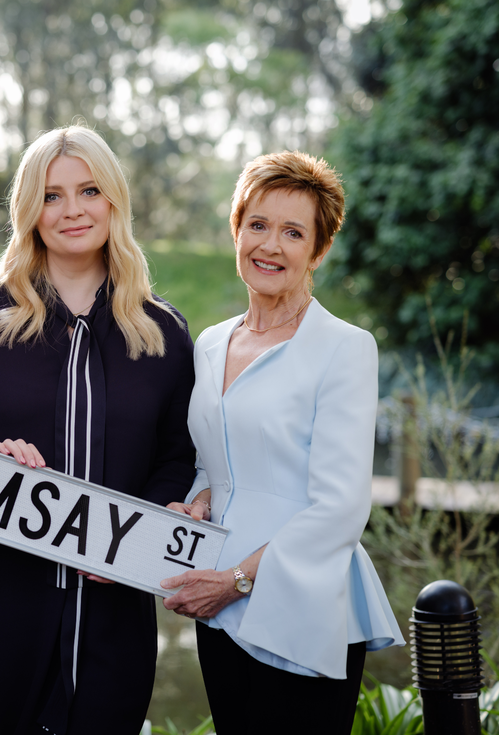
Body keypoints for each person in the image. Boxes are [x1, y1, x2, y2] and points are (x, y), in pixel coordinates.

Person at [0, 124, 196, 735]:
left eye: (89, 190)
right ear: (29, 209)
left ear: (114, 201)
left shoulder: (163, 332)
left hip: (111, 618)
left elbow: (177, 461)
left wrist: (130, 541)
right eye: (51, 195)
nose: (72, 210)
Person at [160, 150, 404, 735]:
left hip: (301, 605)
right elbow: (217, 457)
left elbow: (342, 506)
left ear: (317, 250)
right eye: (258, 225)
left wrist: (237, 580)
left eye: (294, 232)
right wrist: (198, 498)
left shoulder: (345, 348)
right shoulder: (212, 343)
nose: (271, 245)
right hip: (216, 606)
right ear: (237, 230)